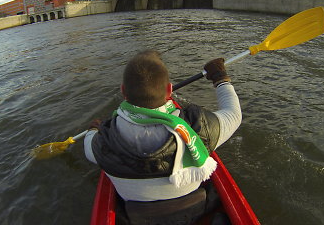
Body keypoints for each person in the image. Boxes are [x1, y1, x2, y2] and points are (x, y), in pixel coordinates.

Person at [84, 50, 241, 210]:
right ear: (169, 90)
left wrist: (93, 129)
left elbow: (88, 145)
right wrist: (220, 78)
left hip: (136, 213)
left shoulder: (101, 141)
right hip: (194, 208)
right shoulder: (200, 126)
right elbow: (234, 115)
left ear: (123, 91)